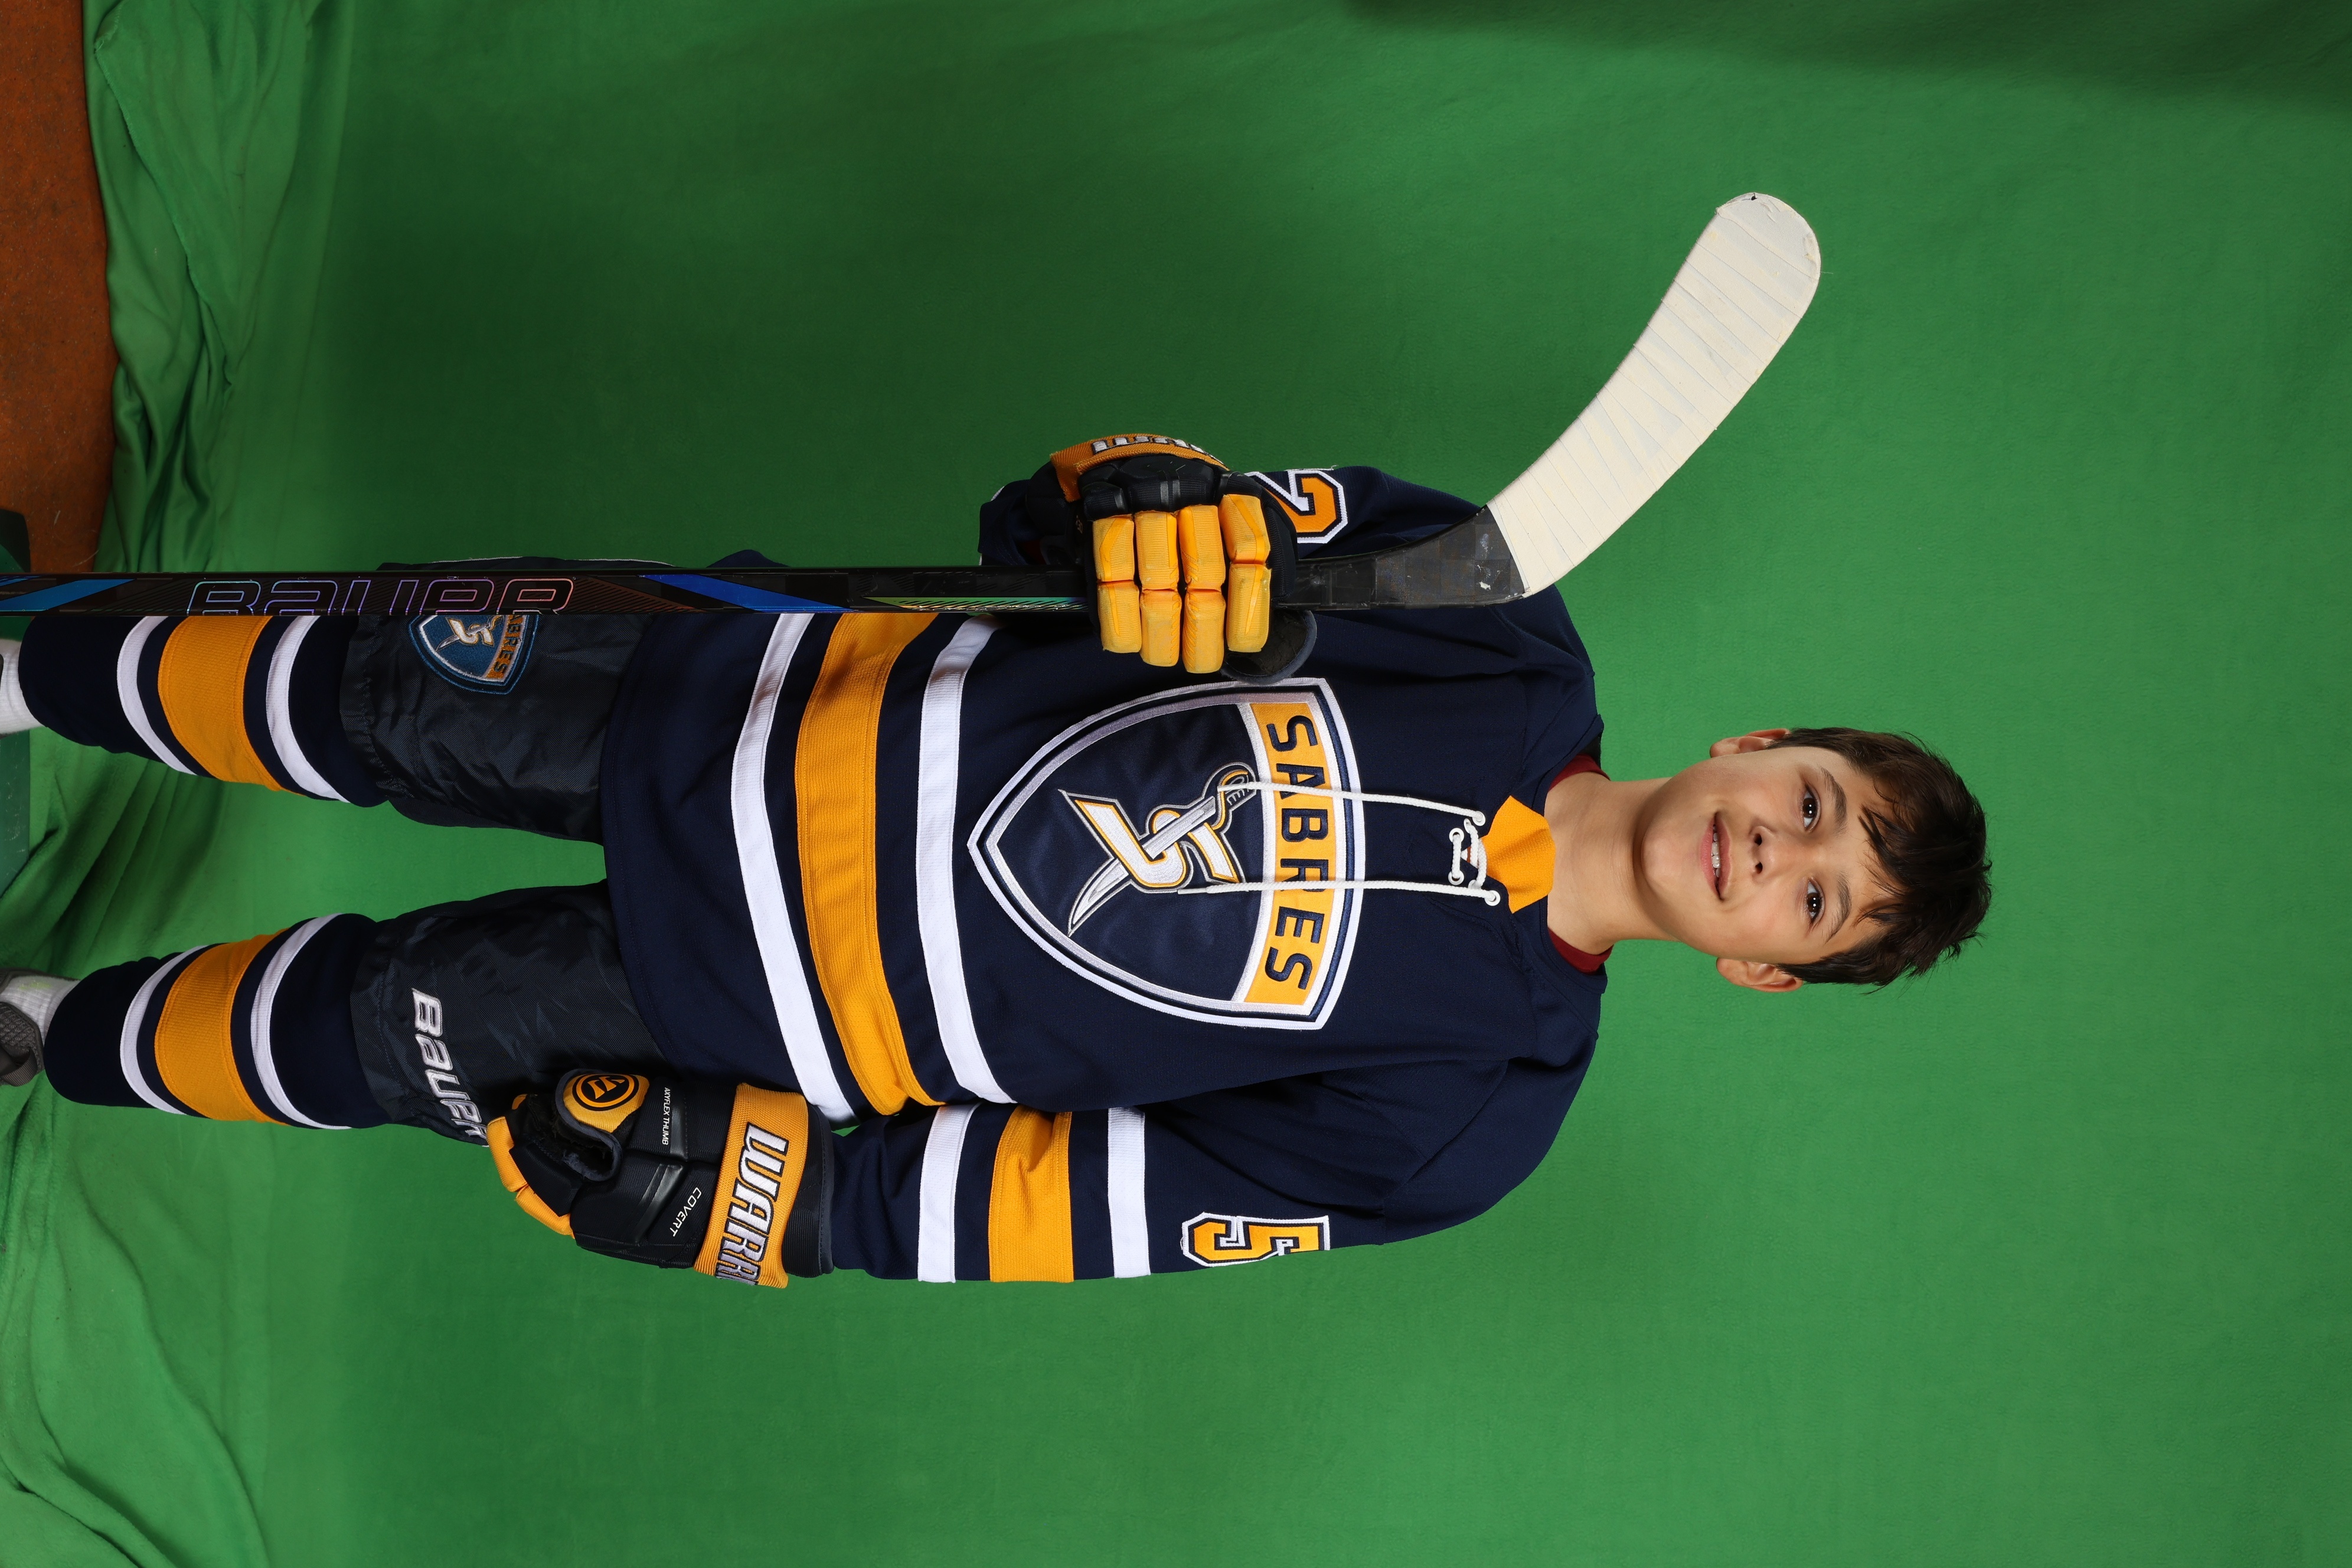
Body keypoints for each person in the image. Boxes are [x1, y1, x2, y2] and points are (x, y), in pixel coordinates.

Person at [0, 436, 1990, 1288]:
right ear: (1764, 743)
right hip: (763, 699)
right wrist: (1131, 495)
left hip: (765, 1011)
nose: (1778, 851)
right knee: (370, 693)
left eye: (1816, 902)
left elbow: (1098, 1202)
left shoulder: (1479, 1118)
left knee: (374, 1034)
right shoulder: (1487, 606)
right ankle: (21, 675)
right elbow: (1077, 522)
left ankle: (42, 1026)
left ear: (1767, 969)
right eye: (1816, 800)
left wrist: (796, 1208)